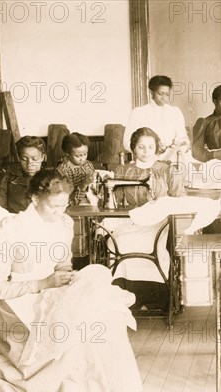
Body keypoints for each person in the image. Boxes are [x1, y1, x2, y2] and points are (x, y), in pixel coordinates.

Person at [0, 169, 142, 392]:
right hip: (20, 300)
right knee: (74, 329)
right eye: (53, 207)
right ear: (35, 199)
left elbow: (62, 262)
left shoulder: (64, 222)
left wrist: (66, 274)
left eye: (64, 206)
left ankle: (111, 382)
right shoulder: (11, 227)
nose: (60, 213)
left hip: (53, 291)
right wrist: (42, 284)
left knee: (102, 299)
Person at [109, 127, 185, 311]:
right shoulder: (123, 170)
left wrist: (161, 206)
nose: (145, 151)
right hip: (133, 220)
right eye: (141, 147)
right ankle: (128, 300)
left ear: (156, 148)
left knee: (155, 244)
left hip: (160, 222)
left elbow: (179, 199)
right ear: (133, 148)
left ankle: (156, 299)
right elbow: (115, 202)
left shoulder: (166, 169)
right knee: (118, 241)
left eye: (150, 147)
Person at [123, 75, 189, 162]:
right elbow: (127, 142)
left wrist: (176, 147)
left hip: (171, 157)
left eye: (167, 94)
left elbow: (182, 138)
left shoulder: (175, 112)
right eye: (160, 94)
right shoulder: (139, 112)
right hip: (146, 157)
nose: (164, 98)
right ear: (151, 92)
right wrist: (148, 150)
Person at [0, 136, 47, 213]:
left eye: (34, 159)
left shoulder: (51, 178)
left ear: (42, 157)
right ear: (19, 158)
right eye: (24, 159)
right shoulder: (9, 175)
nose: (29, 164)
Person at [57, 132, 96, 206]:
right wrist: (84, 184)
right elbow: (68, 200)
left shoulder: (88, 164)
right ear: (67, 154)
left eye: (85, 154)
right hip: (73, 205)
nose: (83, 159)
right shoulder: (63, 170)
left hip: (91, 201)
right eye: (78, 156)